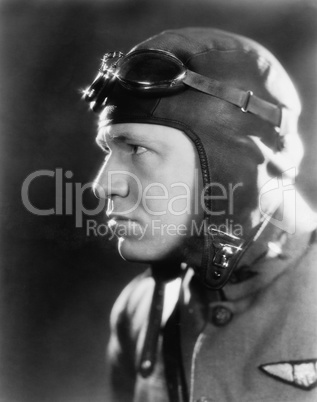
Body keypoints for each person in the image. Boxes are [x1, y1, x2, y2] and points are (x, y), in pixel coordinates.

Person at [83, 28, 317, 402]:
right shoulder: (138, 308)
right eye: (109, 149)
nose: (103, 184)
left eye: (137, 149)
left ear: (231, 165)